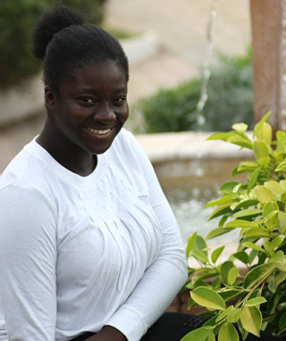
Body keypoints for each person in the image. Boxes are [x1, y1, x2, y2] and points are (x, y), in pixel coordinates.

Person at [0, 4, 202, 341]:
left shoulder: (125, 149)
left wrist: (118, 332)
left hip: (126, 331)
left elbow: (171, 257)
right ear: (51, 98)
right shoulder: (26, 195)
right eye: (88, 100)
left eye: (118, 99)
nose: (107, 116)